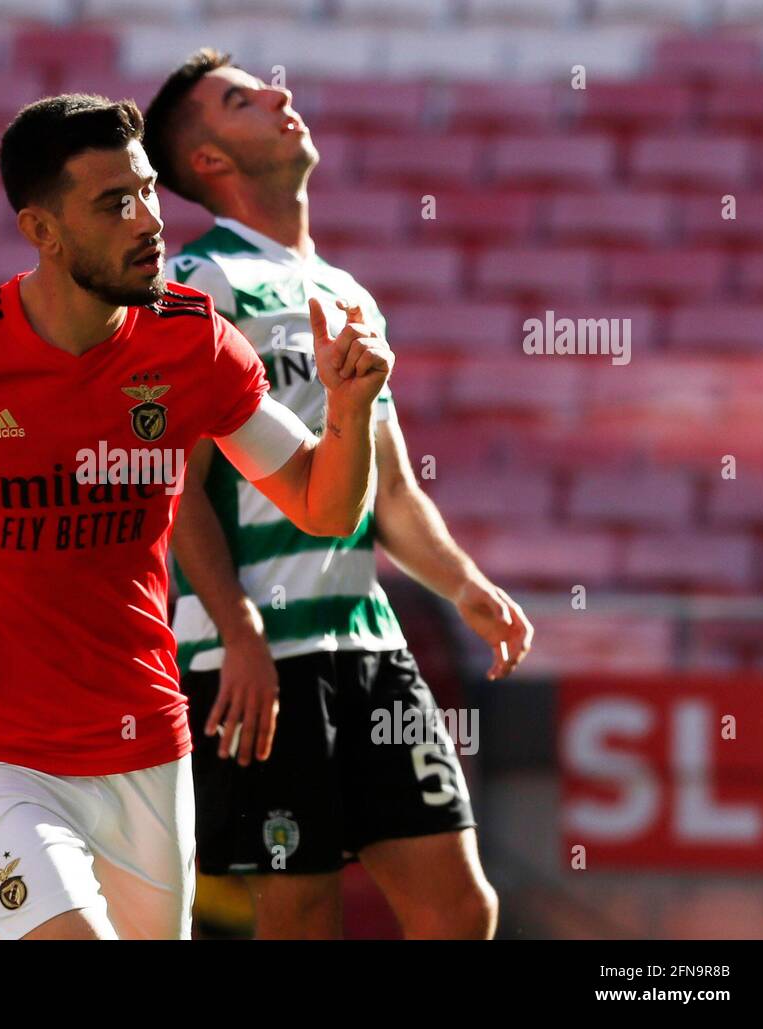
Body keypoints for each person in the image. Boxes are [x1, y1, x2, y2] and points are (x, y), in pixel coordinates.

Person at [0, 93, 392, 940]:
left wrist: (350, 410)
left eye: (147, 192)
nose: (148, 221)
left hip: (146, 744)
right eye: (113, 203)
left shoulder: (194, 344)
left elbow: (325, 506)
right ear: (43, 230)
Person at [143, 50, 534, 939]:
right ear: (208, 159)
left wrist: (465, 584)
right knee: (302, 912)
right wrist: (237, 630)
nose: (278, 94)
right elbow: (176, 484)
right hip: (258, 658)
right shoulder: (198, 285)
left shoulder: (346, 292)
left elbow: (390, 487)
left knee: (460, 906)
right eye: (240, 99)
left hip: (368, 641)